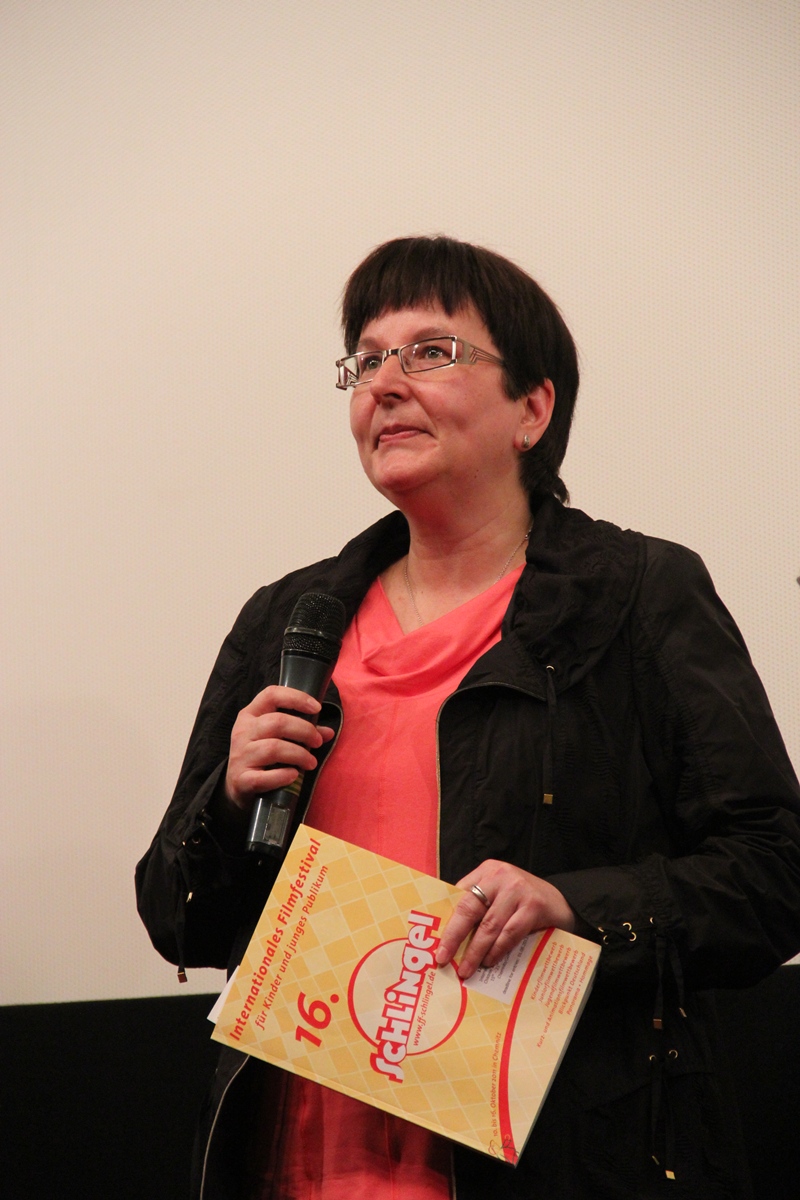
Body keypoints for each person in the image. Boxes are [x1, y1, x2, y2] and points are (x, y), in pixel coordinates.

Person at [136, 236, 800, 1200]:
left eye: (431, 352)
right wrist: (229, 802)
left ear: (533, 409)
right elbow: (176, 917)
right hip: (300, 1164)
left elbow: (773, 872)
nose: (384, 383)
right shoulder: (288, 621)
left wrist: (574, 907)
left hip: (562, 1158)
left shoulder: (637, 595)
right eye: (367, 360)